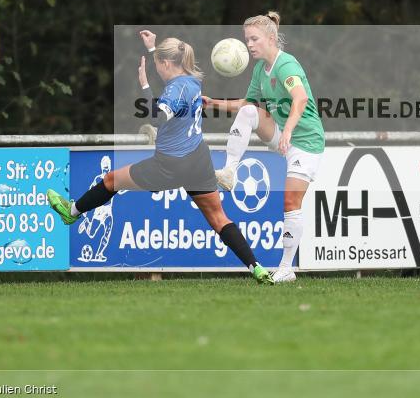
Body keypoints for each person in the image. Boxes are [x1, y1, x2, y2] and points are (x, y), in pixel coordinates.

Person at [46, 31, 273, 284]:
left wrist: (144, 84)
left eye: (157, 63)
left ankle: (72, 212)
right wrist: (154, 49)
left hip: (170, 165)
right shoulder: (192, 80)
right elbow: (170, 82)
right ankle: (256, 267)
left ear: (166, 64)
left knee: (111, 181)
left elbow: (157, 117)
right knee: (220, 219)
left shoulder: (175, 90)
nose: (156, 68)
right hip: (199, 160)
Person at [205, 12, 325, 284]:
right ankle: (229, 172)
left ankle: (286, 268)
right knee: (249, 111)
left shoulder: (286, 65)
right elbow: (247, 103)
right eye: (247, 39)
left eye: (254, 38)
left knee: (290, 202)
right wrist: (214, 102)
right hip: (283, 134)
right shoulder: (260, 69)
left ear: (271, 38)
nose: (249, 44)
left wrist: (290, 132)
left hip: (305, 141)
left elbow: (301, 99)